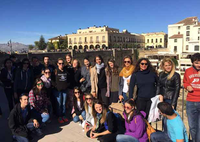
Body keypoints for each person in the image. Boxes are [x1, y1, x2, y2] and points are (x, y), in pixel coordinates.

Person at [183, 53, 200, 142]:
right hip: (191, 101)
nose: (199, 65)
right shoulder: (188, 71)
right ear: (193, 63)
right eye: (197, 63)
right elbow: (185, 82)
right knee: (192, 126)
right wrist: (187, 86)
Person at [54, 58, 70, 123]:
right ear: (57, 64)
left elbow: (69, 79)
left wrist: (67, 85)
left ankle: (63, 115)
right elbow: (52, 80)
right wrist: (56, 86)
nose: (61, 65)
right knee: (59, 103)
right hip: (58, 90)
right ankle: (59, 116)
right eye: (59, 63)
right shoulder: (55, 71)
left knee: (63, 103)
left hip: (65, 90)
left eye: (62, 63)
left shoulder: (66, 71)